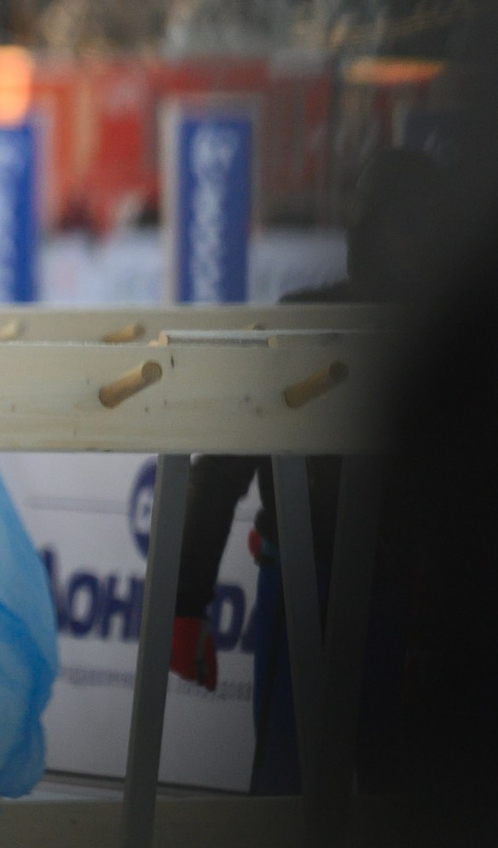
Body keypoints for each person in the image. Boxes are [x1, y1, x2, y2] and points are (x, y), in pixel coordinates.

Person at [169, 147, 445, 796]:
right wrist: (185, 603)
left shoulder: (453, 343)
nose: (405, 244)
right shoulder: (304, 325)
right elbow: (221, 468)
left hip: (419, 603)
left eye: (419, 224)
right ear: (367, 229)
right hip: (306, 587)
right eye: (394, 223)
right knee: (287, 804)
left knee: (402, 811)